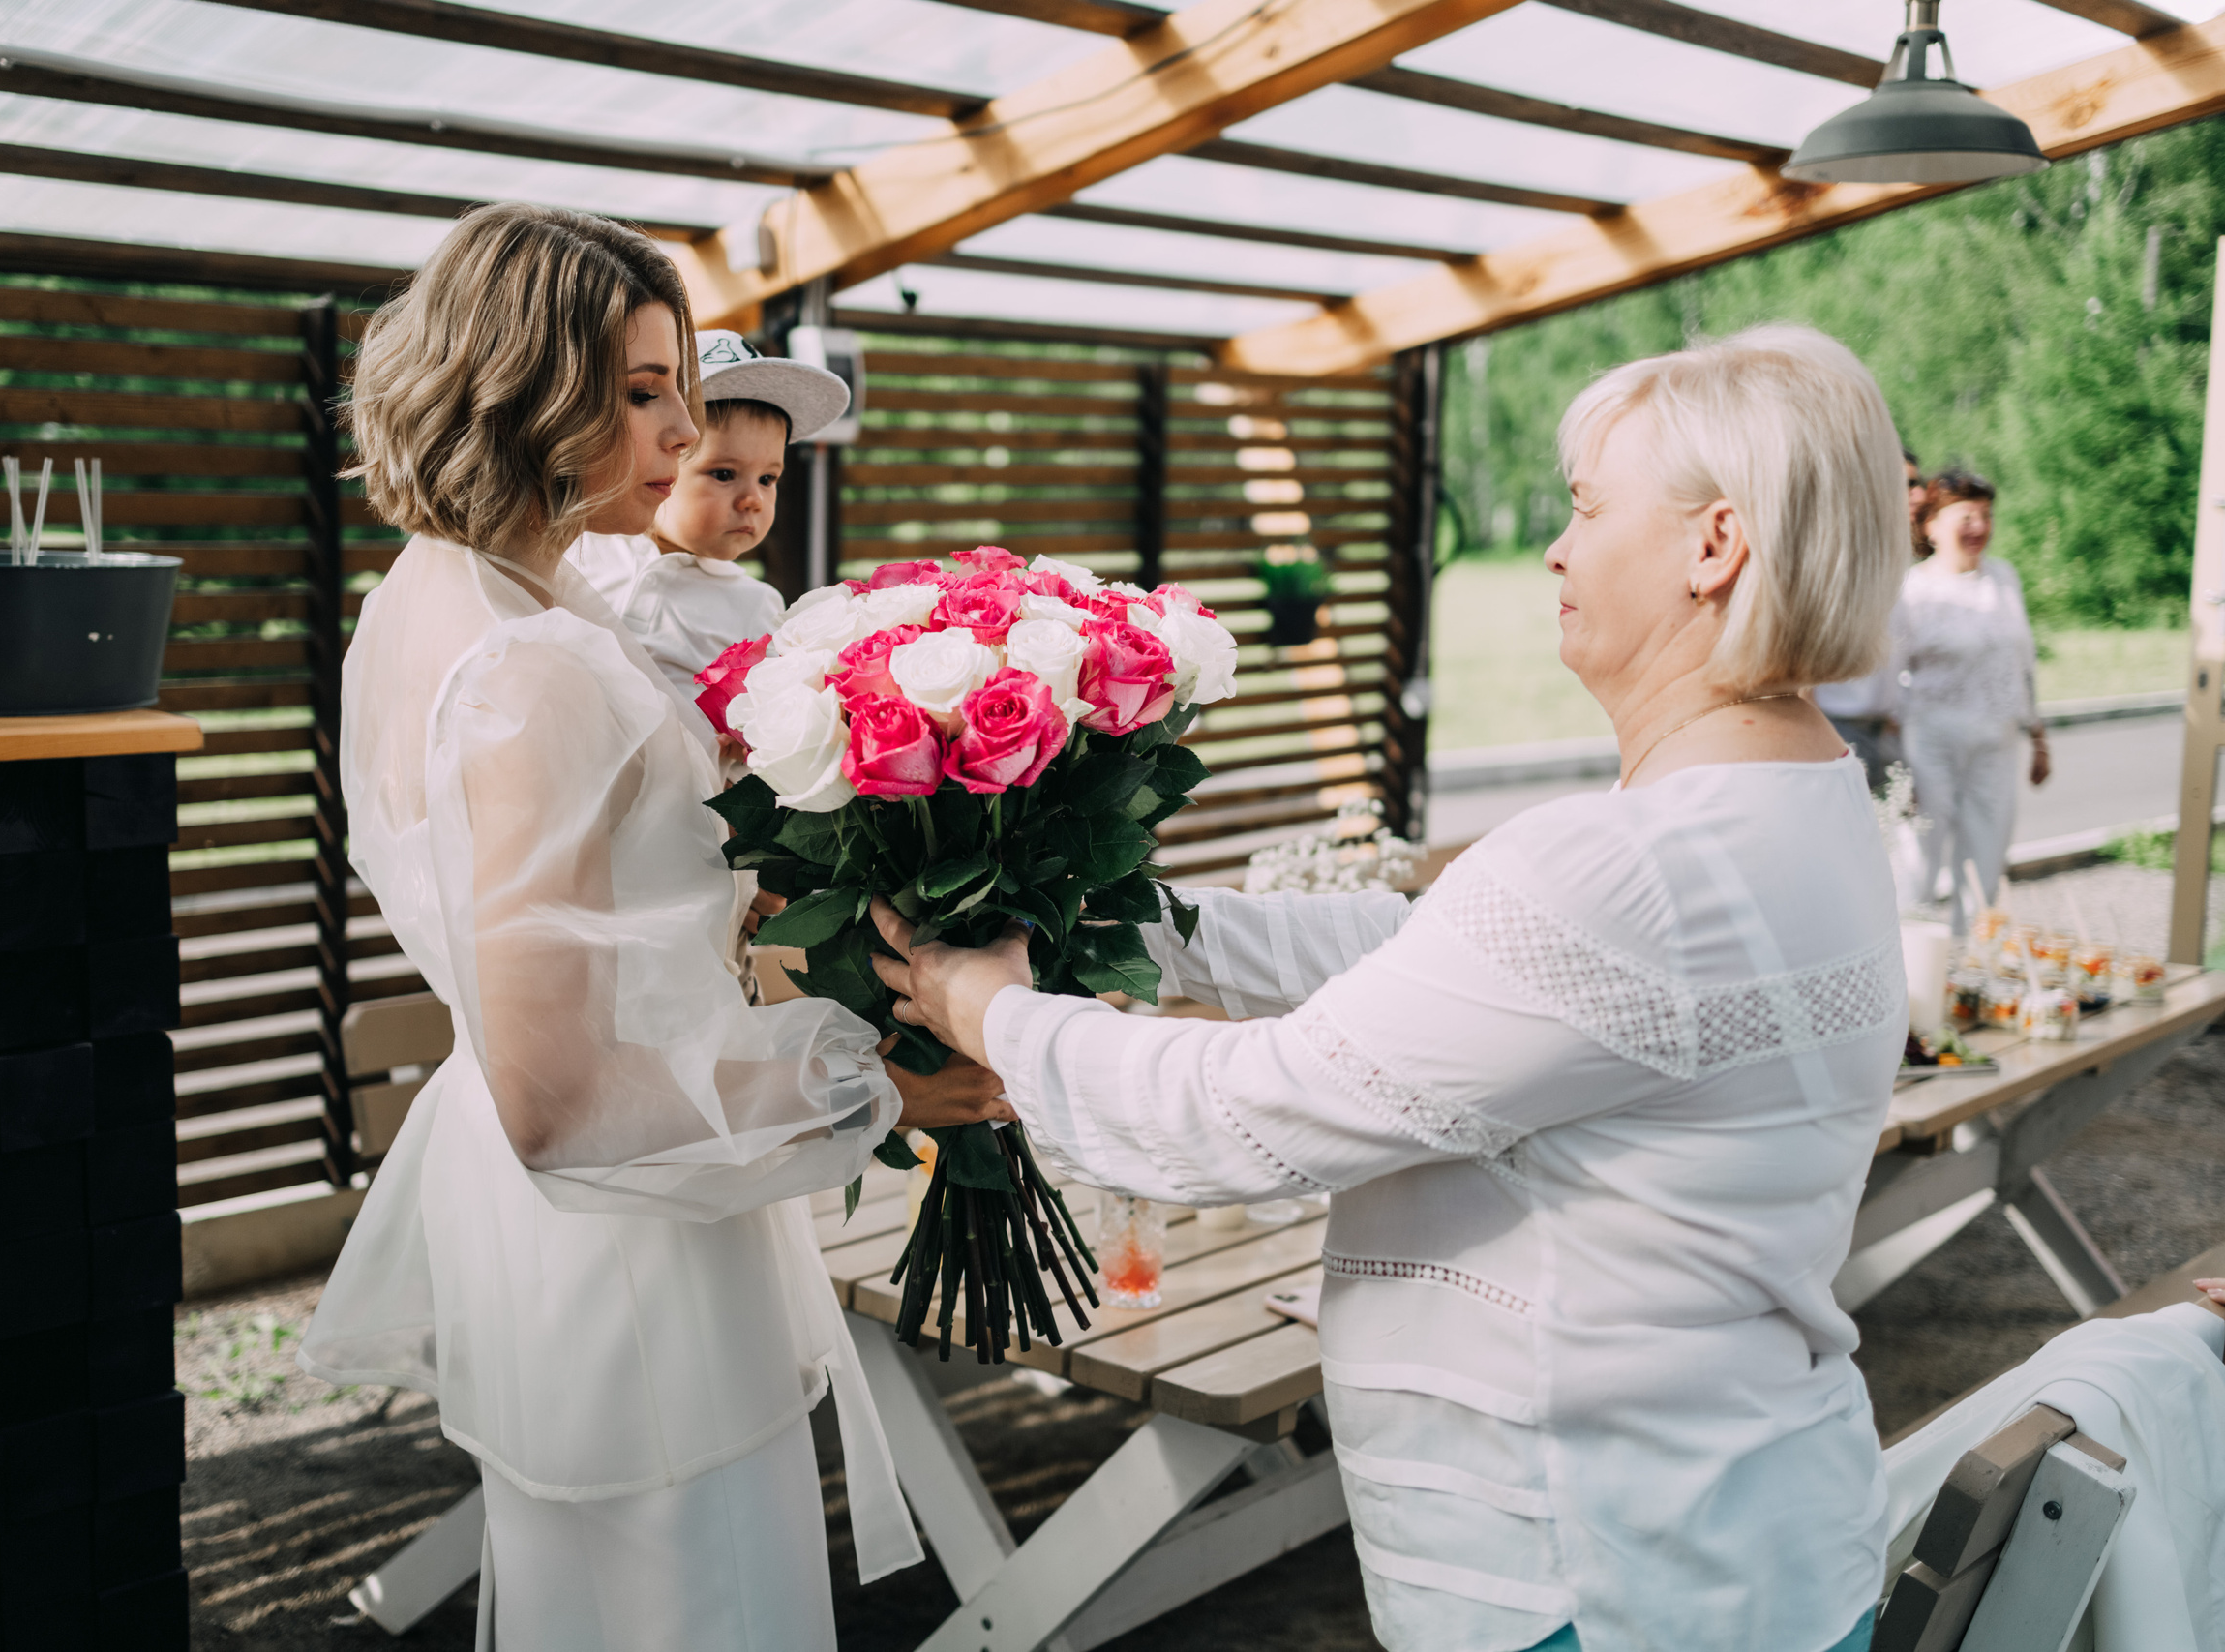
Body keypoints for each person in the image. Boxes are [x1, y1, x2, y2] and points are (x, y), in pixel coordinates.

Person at [873, 325, 1909, 1652]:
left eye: (1589, 508)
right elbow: (1439, 965)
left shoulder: (1625, 867)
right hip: (1756, 1542)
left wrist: (988, 1011)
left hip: (1600, 1570)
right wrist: (1141, 919)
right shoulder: (1799, 804)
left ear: (1714, 548)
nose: (1555, 548)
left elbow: (1246, 1114)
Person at [294, 204, 1007, 1652]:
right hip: (631, 1223)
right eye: (638, 393)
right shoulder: (532, 663)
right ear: (512, 385)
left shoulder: (434, 598)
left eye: (679, 384)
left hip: (577, 1216)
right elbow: (560, 1090)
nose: (685, 432)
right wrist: (874, 1081)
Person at [568, 329, 844, 699]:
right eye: (724, 474)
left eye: (767, 478)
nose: (753, 499)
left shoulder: (757, 606)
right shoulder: (584, 546)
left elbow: (763, 712)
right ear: (660, 464)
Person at [1894, 469, 2049, 936]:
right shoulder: (1911, 589)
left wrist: (2039, 736)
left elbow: (2023, 660)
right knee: (1919, 856)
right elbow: (1890, 679)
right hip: (1931, 741)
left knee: (1986, 855)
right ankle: (1908, 965)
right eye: (1967, 515)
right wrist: (1899, 760)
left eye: (1986, 515)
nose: (1979, 526)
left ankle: (1969, 969)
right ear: (1931, 525)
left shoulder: (2003, 578)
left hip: (1998, 740)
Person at [1814, 443, 1925, 789]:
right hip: (1838, 726)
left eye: (1917, 483)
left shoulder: (1895, 556)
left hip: (1884, 725)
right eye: (1907, 484)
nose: (1919, 494)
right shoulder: (1839, 554)